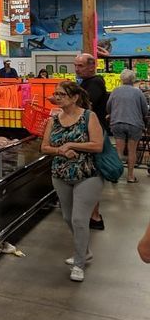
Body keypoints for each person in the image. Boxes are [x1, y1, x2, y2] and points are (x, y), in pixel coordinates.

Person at [41, 80, 104, 282]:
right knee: (68, 218)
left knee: (79, 219)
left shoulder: (88, 116)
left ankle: (79, 264)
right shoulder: (54, 120)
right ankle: (84, 251)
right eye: (55, 94)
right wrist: (59, 150)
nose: (57, 97)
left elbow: (97, 145)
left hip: (87, 174)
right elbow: (44, 147)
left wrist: (71, 144)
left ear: (75, 97)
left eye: (61, 94)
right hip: (60, 174)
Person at [75, 53, 108, 230]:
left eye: (80, 66)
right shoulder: (86, 83)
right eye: (75, 65)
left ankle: (94, 217)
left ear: (91, 66)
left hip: (93, 135)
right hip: (90, 134)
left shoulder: (94, 83)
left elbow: (85, 107)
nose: (76, 69)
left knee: (92, 176)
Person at [107, 69, 148, 183]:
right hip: (134, 124)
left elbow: (108, 107)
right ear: (133, 79)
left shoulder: (115, 91)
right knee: (132, 151)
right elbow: (145, 110)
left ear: (121, 79)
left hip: (117, 123)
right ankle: (130, 177)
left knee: (119, 151)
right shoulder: (138, 92)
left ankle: (116, 176)